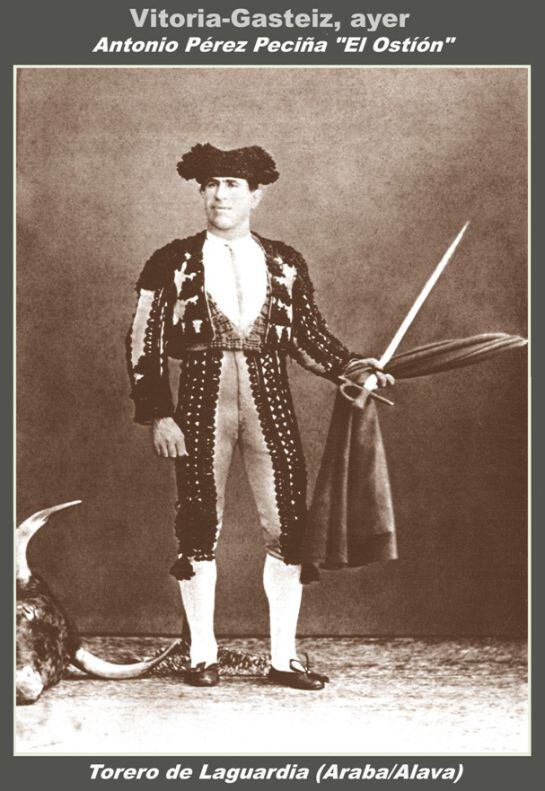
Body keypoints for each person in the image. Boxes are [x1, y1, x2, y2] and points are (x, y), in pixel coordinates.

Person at [126, 143, 393, 690]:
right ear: (201, 192)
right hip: (199, 407)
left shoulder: (285, 262)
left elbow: (309, 335)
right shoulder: (170, 261)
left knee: (288, 526)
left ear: (256, 196)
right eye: (210, 185)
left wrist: (354, 367)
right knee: (198, 524)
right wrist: (158, 414)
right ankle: (202, 654)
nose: (219, 195)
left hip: (271, 404)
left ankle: (284, 658)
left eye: (232, 185)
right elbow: (142, 341)